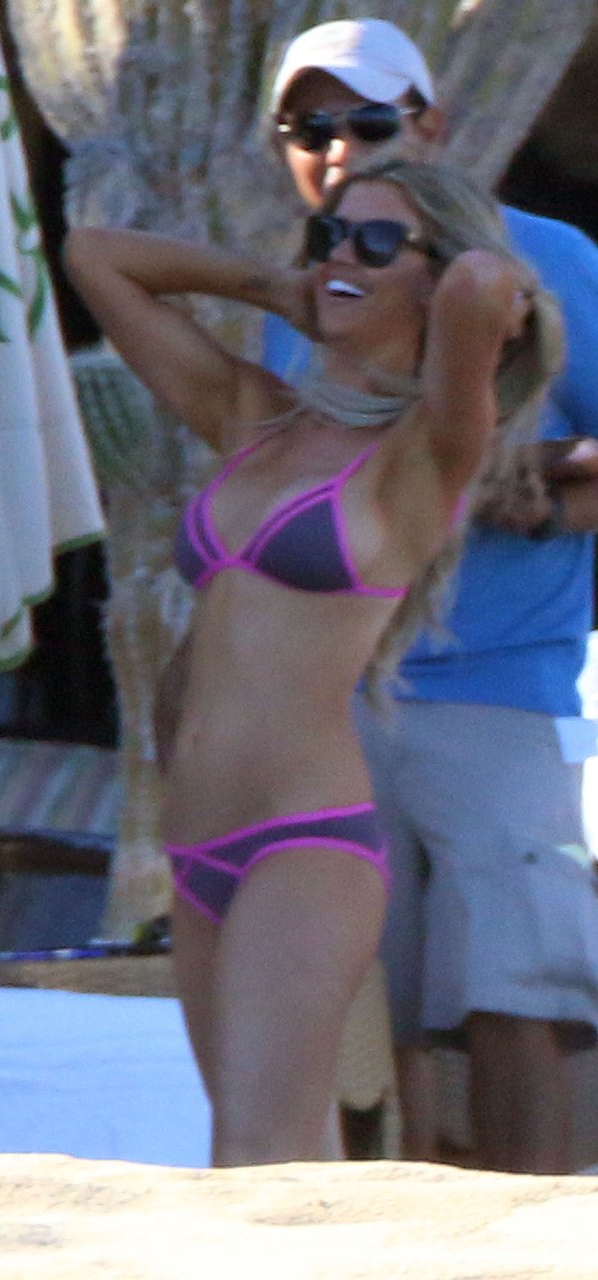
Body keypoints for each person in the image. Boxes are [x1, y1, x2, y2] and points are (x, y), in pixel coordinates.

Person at [64, 156, 560, 1166]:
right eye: (329, 234)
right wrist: (282, 286)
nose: (341, 255)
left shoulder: (426, 453)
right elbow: (95, 255)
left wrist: (462, 280)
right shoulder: (254, 416)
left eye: (375, 241)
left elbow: (482, 282)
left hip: (304, 841)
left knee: (260, 1157)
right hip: (196, 840)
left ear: (430, 275)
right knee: (268, 1159)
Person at [266, 17, 598, 1173]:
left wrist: (524, 489)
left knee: (518, 999)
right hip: (341, 689)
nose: (337, 147)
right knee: (373, 1004)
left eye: (367, 121)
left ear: (434, 125)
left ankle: (541, 1232)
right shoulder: (304, 288)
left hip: (502, 683)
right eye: (307, 127)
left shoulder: (551, 259)